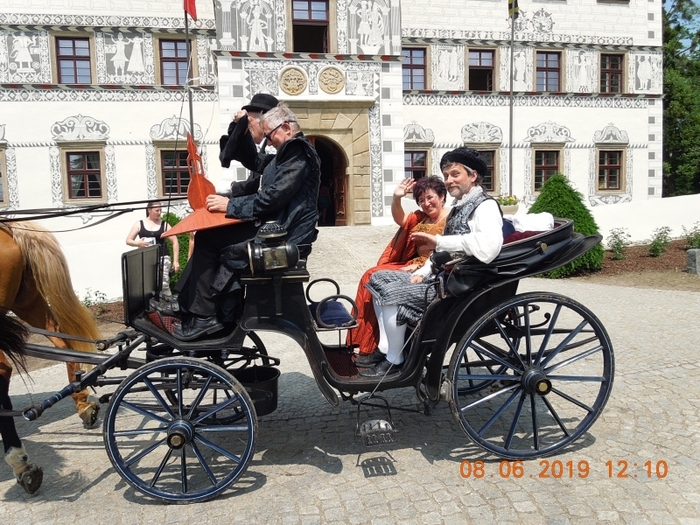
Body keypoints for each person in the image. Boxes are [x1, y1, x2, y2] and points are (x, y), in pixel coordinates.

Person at [174, 104, 321, 340]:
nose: (268, 142)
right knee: (209, 235)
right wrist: (239, 129)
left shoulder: (298, 152)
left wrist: (230, 206)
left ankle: (205, 316)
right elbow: (255, 160)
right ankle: (186, 304)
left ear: (286, 128)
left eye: (270, 135)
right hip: (275, 229)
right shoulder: (286, 154)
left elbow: (273, 197)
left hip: (282, 235)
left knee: (209, 239)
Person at [359, 148, 504, 378]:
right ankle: (386, 347)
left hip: (460, 286)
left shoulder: (485, 206)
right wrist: (425, 270)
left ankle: (396, 360)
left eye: (455, 174)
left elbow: (488, 249)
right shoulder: (461, 206)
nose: (449, 180)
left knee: (390, 292)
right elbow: (442, 252)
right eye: (446, 175)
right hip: (444, 276)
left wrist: (439, 241)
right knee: (377, 278)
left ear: (473, 176)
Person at [352, 176, 449, 367]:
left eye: (430, 197)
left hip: (432, 269)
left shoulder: (451, 219)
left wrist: (425, 263)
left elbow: (452, 251)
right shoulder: (422, 217)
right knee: (372, 276)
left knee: (383, 286)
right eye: (421, 200)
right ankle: (380, 344)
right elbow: (402, 220)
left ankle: (388, 351)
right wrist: (396, 198)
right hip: (413, 263)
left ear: (442, 196)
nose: (426, 203)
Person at [219, 93, 279, 197]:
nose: (247, 126)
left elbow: (263, 182)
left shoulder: (277, 148)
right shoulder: (262, 146)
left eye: (249, 121)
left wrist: (233, 187)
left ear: (264, 121)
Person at [126, 201, 180, 298]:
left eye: (160, 210)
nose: (159, 213)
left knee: (164, 283)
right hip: (146, 258)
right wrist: (138, 243)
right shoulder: (139, 224)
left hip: (162, 256)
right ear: (149, 210)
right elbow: (128, 240)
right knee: (148, 284)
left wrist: (175, 261)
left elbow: (175, 241)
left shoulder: (164, 225)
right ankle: (150, 303)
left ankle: (168, 302)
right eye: (157, 210)